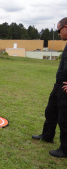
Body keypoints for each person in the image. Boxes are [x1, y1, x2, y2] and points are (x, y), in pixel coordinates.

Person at [32, 17, 67, 158]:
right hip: (58, 86)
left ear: (66, 27)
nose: (58, 34)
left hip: (65, 89)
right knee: (50, 111)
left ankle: (65, 149)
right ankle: (47, 136)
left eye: (59, 30)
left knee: (64, 119)